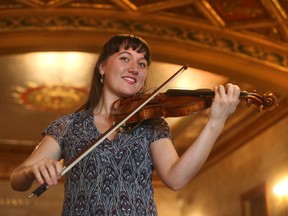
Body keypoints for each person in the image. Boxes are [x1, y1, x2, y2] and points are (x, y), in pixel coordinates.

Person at [10, 34, 240, 215]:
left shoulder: (152, 123)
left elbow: (176, 179)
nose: (135, 68)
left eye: (142, 64)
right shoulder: (68, 125)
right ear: (102, 67)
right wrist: (31, 171)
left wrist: (216, 122)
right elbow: (17, 180)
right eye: (124, 58)